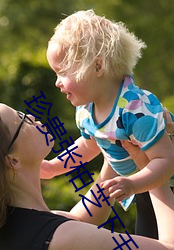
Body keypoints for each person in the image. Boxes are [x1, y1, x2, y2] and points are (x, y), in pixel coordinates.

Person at [0, 98, 174, 250]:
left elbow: (81, 219)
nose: (32, 117)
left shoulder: (3, 232)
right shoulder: (61, 238)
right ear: (12, 160)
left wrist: (114, 137)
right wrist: (151, 165)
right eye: (21, 120)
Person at [44, 9, 174, 239]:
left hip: (163, 186)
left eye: (62, 72)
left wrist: (133, 184)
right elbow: (88, 145)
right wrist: (54, 167)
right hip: (143, 189)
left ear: (97, 67)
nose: (57, 82)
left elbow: (166, 160)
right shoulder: (86, 110)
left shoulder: (135, 109)